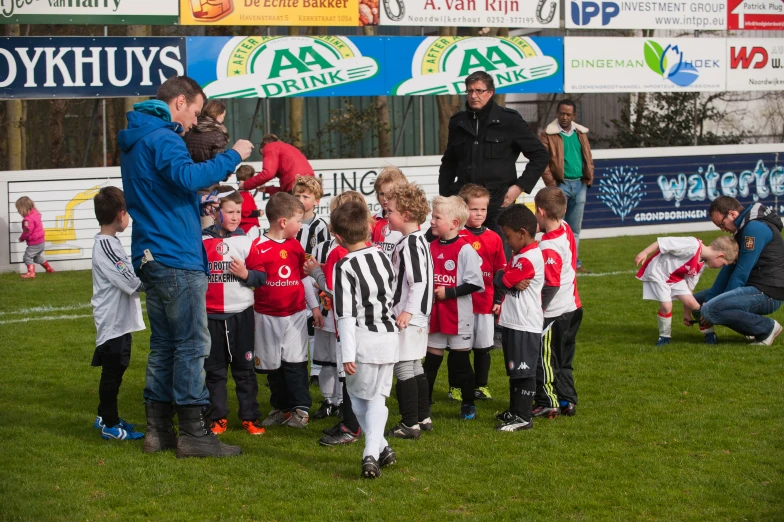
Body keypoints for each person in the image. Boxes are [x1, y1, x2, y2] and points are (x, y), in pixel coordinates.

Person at [118, 75, 253, 458]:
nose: (195, 122)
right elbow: (188, 175)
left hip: (152, 253)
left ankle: (157, 431)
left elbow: (165, 190)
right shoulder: (163, 137)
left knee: (163, 346)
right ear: (179, 102)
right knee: (193, 345)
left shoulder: (138, 139)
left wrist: (196, 205)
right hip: (176, 255)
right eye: (195, 111)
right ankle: (194, 433)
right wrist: (234, 155)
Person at [332, 201, 400, 479]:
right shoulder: (383, 256)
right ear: (369, 227)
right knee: (376, 398)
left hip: (363, 340)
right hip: (389, 337)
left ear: (337, 237)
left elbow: (345, 315)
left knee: (363, 400)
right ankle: (382, 448)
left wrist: (347, 353)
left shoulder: (344, 265)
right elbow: (392, 294)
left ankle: (370, 453)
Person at [246, 193, 322, 429]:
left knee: (296, 362)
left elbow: (304, 279)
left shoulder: (296, 247)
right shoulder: (257, 247)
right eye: (298, 221)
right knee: (272, 366)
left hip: (295, 315)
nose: (301, 226)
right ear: (283, 222)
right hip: (266, 316)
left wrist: (315, 308)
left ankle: (301, 409)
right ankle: (281, 408)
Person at [438, 70, 548, 232]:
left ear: (490, 92)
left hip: (498, 204)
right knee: (459, 254)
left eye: (479, 91)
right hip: (463, 205)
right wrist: (446, 196)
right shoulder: (457, 122)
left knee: (500, 255)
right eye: (470, 91)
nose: (474, 95)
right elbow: (449, 163)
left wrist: (519, 187)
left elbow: (540, 155)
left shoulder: (509, 120)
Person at [303, 191, 371, 447]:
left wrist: (316, 272)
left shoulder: (338, 254)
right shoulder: (373, 251)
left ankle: (352, 426)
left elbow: (334, 289)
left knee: (348, 372)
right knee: (354, 375)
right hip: (370, 325)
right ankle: (350, 422)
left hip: (349, 323)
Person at [201, 187, 265, 436]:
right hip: (211, 315)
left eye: (238, 211)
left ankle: (250, 417)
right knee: (214, 371)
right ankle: (218, 417)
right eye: (230, 212)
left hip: (241, 315)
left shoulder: (245, 241)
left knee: (244, 370)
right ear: (216, 212)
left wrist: (246, 274)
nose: (236, 216)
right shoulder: (202, 241)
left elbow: (261, 276)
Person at [89, 186, 145, 441]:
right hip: (112, 320)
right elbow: (131, 282)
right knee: (112, 372)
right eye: (128, 213)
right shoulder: (106, 246)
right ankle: (109, 425)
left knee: (118, 367)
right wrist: (155, 273)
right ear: (120, 214)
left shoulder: (110, 243)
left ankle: (105, 415)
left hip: (120, 321)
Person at [423, 196, 484, 420]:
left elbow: (476, 283)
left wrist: (449, 292)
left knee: (460, 364)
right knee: (431, 363)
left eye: (437, 217)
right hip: (436, 316)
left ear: (454, 223)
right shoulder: (429, 247)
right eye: (432, 216)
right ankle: (424, 402)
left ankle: (468, 404)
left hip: (459, 318)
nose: (432, 221)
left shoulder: (465, 250)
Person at [695, 196, 783, 346]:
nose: (723, 230)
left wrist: (718, 302)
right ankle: (749, 329)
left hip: (768, 291)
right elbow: (729, 269)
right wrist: (709, 299)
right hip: (754, 287)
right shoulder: (744, 228)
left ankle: (767, 328)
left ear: (733, 214)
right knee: (696, 303)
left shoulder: (754, 228)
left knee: (711, 310)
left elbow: (741, 271)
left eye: (722, 224)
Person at [385, 183, 434, 439]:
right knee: (415, 366)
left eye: (390, 211)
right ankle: (423, 417)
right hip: (418, 316)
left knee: (403, 367)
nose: (386, 216)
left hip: (409, 316)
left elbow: (418, 281)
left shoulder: (411, 244)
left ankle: (409, 423)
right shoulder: (418, 240)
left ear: (405, 214)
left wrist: (407, 312)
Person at [532, 187, 584, 419]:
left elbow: (551, 284)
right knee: (564, 359)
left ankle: (547, 401)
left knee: (543, 359)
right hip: (573, 307)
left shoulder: (548, 246)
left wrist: (538, 309)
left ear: (540, 211)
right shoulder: (566, 228)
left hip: (555, 313)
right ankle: (567, 400)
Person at [493, 204, 544, 432]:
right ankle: (515, 410)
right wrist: (504, 275)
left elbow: (501, 281)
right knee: (514, 369)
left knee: (524, 371)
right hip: (513, 321)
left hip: (525, 324)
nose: (506, 242)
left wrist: (503, 276)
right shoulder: (519, 255)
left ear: (522, 233)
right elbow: (502, 276)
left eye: (508, 237)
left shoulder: (529, 258)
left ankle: (523, 416)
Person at [635, 235, 738, 346]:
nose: (720, 267)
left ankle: (709, 334)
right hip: (658, 274)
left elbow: (689, 289)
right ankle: (664, 337)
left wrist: (687, 313)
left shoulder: (701, 265)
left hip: (675, 278)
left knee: (694, 304)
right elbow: (663, 242)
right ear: (720, 255)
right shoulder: (692, 245)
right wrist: (645, 252)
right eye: (723, 264)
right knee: (666, 306)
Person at [454, 184, 506, 402]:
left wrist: (498, 299)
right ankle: (455, 386)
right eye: (474, 209)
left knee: (483, 348)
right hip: (460, 303)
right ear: (464, 209)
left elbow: (500, 271)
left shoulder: (494, 237)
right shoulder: (456, 236)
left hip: (485, 304)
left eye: (483, 209)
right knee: (459, 350)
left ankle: (481, 386)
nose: (479, 214)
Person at [539, 100, 595, 272]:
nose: (564, 117)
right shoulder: (547, 134)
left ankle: (574, 264)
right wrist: (553, 185)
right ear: (557, 113)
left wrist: (588, 177)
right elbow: (542, 161)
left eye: (568, 114)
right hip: (560, 187)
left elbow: (588, 157)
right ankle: (554, 263)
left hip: (579, 185)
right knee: (554, 227)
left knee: (575, 230)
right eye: (561, 113)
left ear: (574, 116)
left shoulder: (581, 133)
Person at [292, 175, 331, 386]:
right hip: (291, 279)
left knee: (314, 323)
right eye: (297, 195)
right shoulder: (289, 220)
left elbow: (322, 256)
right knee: (294, 323)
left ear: (316, 200)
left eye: (306, 196)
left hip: (311, 279)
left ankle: (316, 370)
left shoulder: (319, 226)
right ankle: (291, 364)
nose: (300, 199)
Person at [239, 134, 315, 194]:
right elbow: (285, 191)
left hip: (295, 183)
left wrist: (245, 185)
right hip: (310, 183)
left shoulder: (269, 147)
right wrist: (268, 189)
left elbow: (268, 174)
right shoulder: (287, 148)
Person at [372, 167, 408, 258]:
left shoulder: (408, 221)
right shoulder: (371, 222)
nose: (385, 198)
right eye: (381, 194)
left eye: (389, 194)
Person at [15, 197, 54, 279]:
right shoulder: (36, 214)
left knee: (27, 257)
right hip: (41, 242)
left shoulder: (28, 220)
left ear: (23, 209)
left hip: (34, 243)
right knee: (37, 257)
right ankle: (49, 269)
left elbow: (27, 232)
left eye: (19, 210)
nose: (18, 212)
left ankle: (31, 273)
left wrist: (21, 238)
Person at [235, 165, 263, 233]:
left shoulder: (240, 194)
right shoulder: (245, 194)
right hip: (249, 226)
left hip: (245, 226)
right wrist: (258, 213)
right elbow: (245, 211)